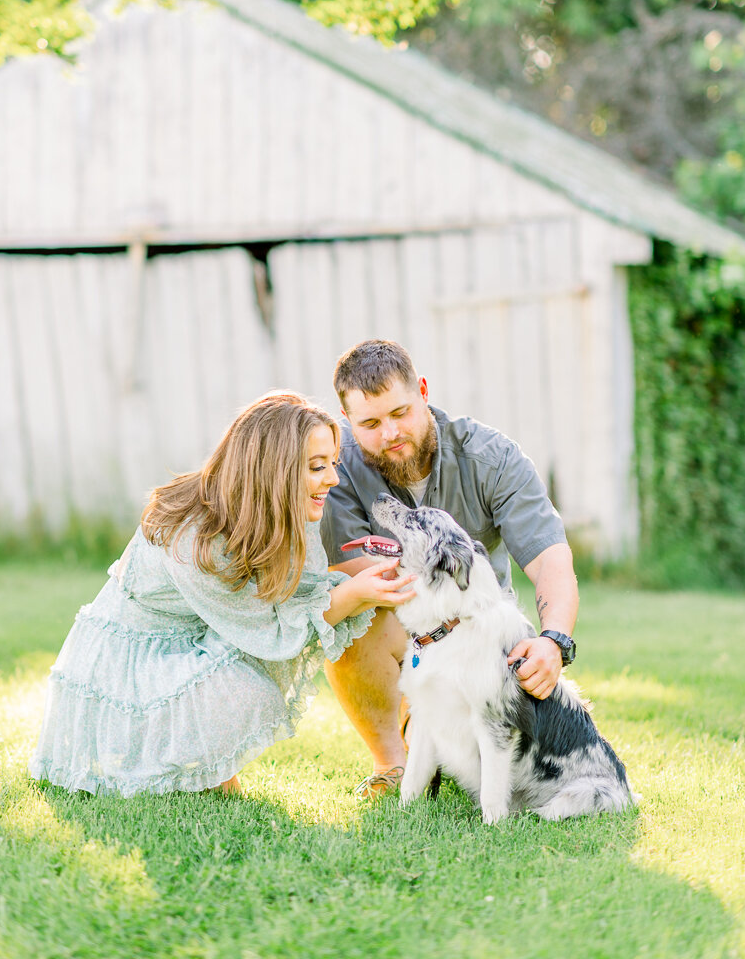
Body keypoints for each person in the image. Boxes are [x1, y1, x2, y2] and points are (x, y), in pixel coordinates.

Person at [30, 392, 415, 797]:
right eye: (317, 467)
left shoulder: (275, 506)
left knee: (343, 614)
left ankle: (422, 738)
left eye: (332, 464)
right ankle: (192, 772)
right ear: (274, 470)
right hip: (135, 673)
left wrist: (367, 573)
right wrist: (355, 592)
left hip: (190, 642)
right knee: (249, 689)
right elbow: (269, 629)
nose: (333, 479)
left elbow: (302, 591)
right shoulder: (195, 536)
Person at [320, 339, 579, 801]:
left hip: (480, 630)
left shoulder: (492, 456)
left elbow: (549, 558)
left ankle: (451, 734)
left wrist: (554, 640)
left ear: (422, 391)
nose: (389, 433)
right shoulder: (334, 467)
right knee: (349, 620)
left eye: (400, 412)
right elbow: (350, 569)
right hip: (398, 614)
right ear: (349, 423)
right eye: (371, 423)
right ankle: (394, 763)